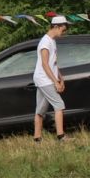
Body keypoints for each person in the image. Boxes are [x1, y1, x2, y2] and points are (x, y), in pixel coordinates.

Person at [33, 15, 69, 143]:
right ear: (55, 26)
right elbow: (44, 64)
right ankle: (61, 137)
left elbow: (53, 63)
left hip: (45, 79)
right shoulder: (45, 42)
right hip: (44, 79)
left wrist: (61, 78)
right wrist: (55, 82)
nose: (63, 33)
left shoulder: (52, 41)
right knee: (59, 105)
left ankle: (37, 139)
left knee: (40, 110)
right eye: (62, 30)